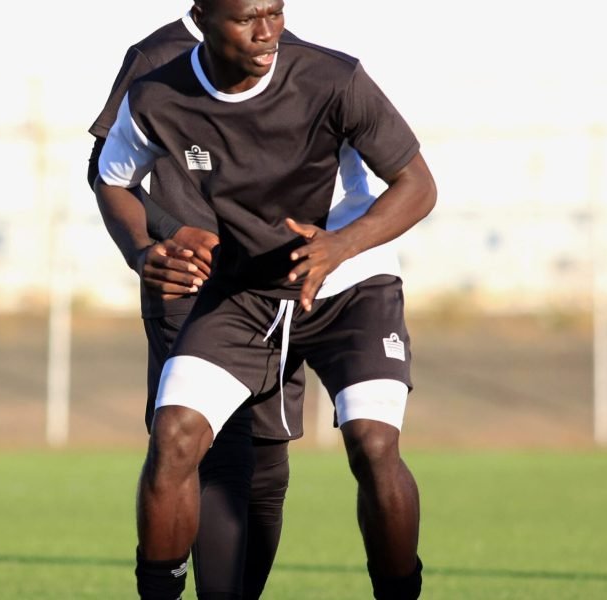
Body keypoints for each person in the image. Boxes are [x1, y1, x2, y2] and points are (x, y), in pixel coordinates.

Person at [95, 1, 436, 598]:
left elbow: (418, 185)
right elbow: (111, 177)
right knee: (174, 436)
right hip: (243, 292)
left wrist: (340, 246)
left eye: (275, 12)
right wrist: (144, 250)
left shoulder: (334, 79)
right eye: (247, 17)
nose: (266, 31)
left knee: (372, 442)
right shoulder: (155, 94)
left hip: (350, 285)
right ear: (201, 18)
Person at [87, 10, 310, 598]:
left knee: (268, 460)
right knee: (212, 450)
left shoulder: (291, 58)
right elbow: (106, 171)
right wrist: (157, 240)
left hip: (275, 291)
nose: (265, 26)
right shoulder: (156, 55)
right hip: (191, 285)